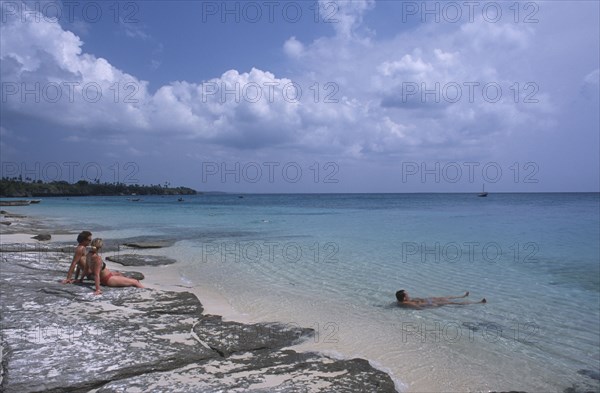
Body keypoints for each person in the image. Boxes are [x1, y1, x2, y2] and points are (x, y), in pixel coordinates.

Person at [396, 289, 486, 309]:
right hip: (428, 303)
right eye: (407, 294)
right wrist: (432, 305)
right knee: (450, 303)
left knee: (443, 298)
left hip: (426, 300)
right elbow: (419, 308)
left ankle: (462, 296)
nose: (409, 294)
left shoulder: (402, 301)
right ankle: (478, 302)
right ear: (404, 297)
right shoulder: (405, 303)